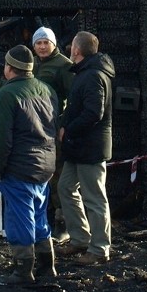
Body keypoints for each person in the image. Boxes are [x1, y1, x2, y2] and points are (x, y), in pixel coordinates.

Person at [0, 45, 58, 285]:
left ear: (8, 68)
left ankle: (22, 270)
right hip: (45, 165)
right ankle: (47, 266)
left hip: (19, 166)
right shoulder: (47, 90)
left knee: (20, 217)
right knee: (39, 215)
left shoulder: (5, 95)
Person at [58, 31, 115, 266]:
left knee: (94, 197)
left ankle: (100, 248)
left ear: (76, 50)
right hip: (79, 146)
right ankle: (80, 238)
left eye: (71, 45)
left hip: (89, 147)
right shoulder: (86, 73)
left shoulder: (92, 75)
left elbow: (93, 113)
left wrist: (68, 129)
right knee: (65, 187)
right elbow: (76, 108)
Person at [31, 25, 74, 241]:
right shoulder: (33, 65)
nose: (42, 46)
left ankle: (62, 223)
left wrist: (64, 124)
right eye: (38, 43)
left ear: (53, 43)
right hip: (34, 128)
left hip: (53, 127)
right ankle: (40, 222)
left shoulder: (64, 66)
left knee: (57, 174)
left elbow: (74, 99)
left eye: (45, 42)